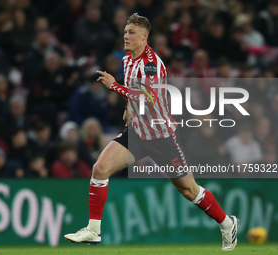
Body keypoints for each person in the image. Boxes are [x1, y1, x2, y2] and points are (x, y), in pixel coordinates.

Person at [65, 13, 239, 251]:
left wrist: (114, 86)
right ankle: (93, 230)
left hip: (161, 136)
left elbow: (150, 97)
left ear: (145, 36)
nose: (126, 36)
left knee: (188, 190)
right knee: (100, 168)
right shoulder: (127, 60)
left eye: (132, 32)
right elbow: (135, 90)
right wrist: (127, 109)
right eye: (126, 31)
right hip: (137, 132)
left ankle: (226, 223)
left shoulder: (151, 63)